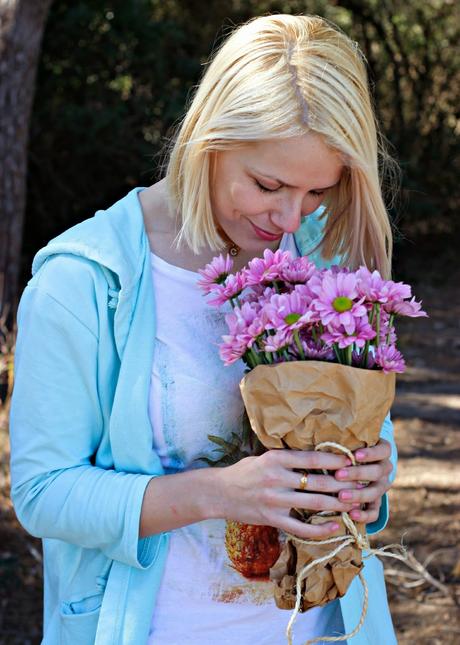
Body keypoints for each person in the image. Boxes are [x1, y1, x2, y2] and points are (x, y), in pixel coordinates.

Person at [9, 13, 398, 645]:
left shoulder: (320, 264)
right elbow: (43, 493)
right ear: (209, 139)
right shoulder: (82, 281)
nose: (290, 216)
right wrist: (220, 493)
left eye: (317, 192)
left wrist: (374, 474)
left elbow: (366, 435)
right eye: (268, 184)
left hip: (326, 629)